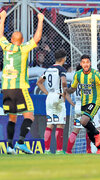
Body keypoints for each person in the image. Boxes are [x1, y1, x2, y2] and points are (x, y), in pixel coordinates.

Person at [0, 10, 44, 154]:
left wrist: (2, 18)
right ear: (22, 39)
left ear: (11, 40)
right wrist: (41, 20)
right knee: (29, 115)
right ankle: (20, 142)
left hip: (6, 88)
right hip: (20, 88)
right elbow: (37, 38)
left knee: (12, 118)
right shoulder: (23, 49)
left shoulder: (6, 47)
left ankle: (10, 147)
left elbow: (0, 35)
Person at [65, 54, 100, 154]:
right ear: (81, 64)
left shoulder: (96, 75)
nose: (86, 64)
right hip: (83, 104)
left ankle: (96, 137)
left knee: (83, 122)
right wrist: (67, 91)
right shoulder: (77, 75)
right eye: (83, 62)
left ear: (90, 63)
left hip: (94, 102)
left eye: (87, 62)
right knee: (85, 125)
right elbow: (72, 89)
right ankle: (99, 148)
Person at [36, 49, 75, 154]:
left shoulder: (48, 69)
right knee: (60, 124)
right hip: (58, 97)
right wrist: (65, 90)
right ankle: (58, 150)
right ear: (64, 58)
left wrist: (47, 93)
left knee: (49, 124)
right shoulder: (61, 69)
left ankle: (47, 150)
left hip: (49, 98)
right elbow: (63, 81)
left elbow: (39, 82)